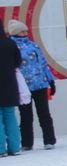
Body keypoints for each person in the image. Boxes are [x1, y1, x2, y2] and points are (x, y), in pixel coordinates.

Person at [8, 20, 56, 150]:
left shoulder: (33, 45)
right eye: (23, 31)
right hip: (23, 87)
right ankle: (27, 143)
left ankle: (49, 140)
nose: (26, 33)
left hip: (40, 84)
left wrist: (50, 80)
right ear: (16, 33)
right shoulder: (11, 46)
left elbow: (43, 63)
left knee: (44, 113)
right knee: (26, 115)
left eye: (26, 31)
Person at [0, 27, 20, 156]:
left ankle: (1, 149)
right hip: (9, 83)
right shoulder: (10, 42)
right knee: (10, 115)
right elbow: (18, 61)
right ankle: (15, 147)